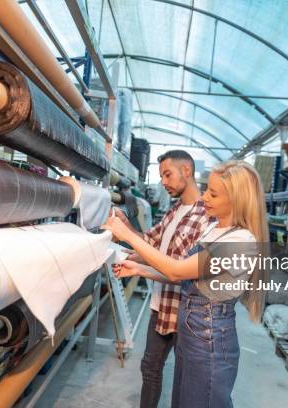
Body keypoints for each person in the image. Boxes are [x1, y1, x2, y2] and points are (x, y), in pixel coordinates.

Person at [103, 161, 269, 408]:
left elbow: (175, 271)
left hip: (210, 337)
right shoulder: (214, 228)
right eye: (206, 190)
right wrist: (139, 269)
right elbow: (186, 278)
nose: (204, 198)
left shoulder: (241, 241)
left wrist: (126, 235)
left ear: (237, 199)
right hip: (192, 330)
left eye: (213, 193)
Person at [112, 150, 210, 408]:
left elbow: (179, 272)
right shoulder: (175, 210)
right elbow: (150, 245)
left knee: (184, 379)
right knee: (150, 368)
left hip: (185, 311)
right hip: (161, 304)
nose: (163, 182)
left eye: (168, 174)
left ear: (186, 171)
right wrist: (126, 226)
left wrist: (138, 267)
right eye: (161, 176)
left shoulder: (204, 217)